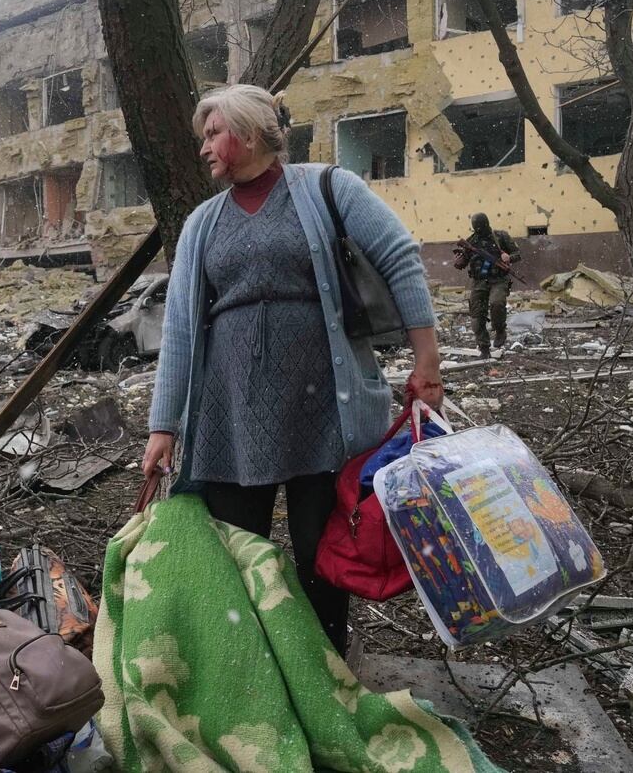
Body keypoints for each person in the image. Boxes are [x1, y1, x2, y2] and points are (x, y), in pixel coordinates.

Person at [141, 84, 443, 655]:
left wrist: (427, 360)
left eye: (213, 134)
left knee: (319, 557)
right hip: (232, 417)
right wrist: (164, 427)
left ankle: (326, 671)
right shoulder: (203, 223)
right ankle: (251, 674)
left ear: (250, 133)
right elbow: (180, 327)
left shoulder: (326, 187)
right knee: (235, 555)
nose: (203, 147)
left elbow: (400, 257)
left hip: (322, 409)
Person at [454, 213, 520, 359]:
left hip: (498, 279)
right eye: (476, 227)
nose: (479, 229)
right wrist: (459, 260)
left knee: (497, 303)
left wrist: (509, 257)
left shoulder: (500, 237)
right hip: (479, 281)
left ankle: (500, 330)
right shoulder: (472, 241)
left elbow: (518, 253)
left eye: (480, 226)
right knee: (476, 317)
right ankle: (484, 347)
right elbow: (462, 263)